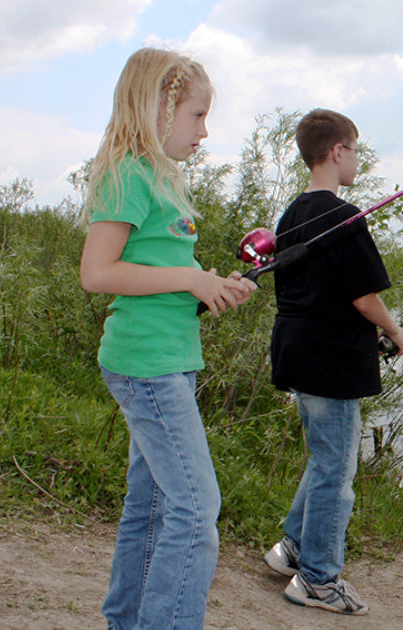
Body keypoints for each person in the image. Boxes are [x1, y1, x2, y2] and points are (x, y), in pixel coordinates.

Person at [79, 47, 256, 630]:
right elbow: (97, 273)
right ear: (158, 107)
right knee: (196, 508)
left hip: (171, 359)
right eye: (197, 116)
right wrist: (188, 278)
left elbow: (160, 264)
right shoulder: (127, 173)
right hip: (146, 363)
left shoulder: (163, 179)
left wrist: (209, 284)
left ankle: (125, 621)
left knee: (153, 505)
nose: (206, 131)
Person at [262, 108, 403, 615]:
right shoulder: (344, 216)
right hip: (331, 361)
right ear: (337, 151)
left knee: (324, 458)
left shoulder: (291, 215)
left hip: (296, 351)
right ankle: (318, 580)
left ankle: (295, 549)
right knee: (337, 470)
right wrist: (393, 331)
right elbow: (363, 297)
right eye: (356, 149)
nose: (358, 159)